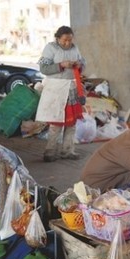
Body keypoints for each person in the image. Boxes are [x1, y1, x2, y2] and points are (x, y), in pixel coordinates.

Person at [36, 26, 86, 162]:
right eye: (64, 40)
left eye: (70, 40)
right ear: (58, 38)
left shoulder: (75, 48)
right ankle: (50, 152)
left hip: (71, 88)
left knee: (71, 123)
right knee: (56, 122)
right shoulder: (50, 48)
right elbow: (43, 68)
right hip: (56, 90)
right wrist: (61, 65)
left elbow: (83, 64)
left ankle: (68, 150)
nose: (67, 43)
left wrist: (78, 64)